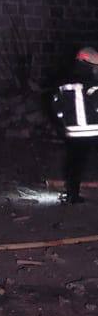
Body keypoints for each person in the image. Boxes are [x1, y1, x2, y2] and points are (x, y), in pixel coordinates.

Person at [53, 46, 98, 204]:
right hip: (94, 129)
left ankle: (72, 194)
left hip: (73, 132)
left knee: (74, 163)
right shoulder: (93, 84)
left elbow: (57, 107)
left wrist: (64, 122)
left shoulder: (64, 84)